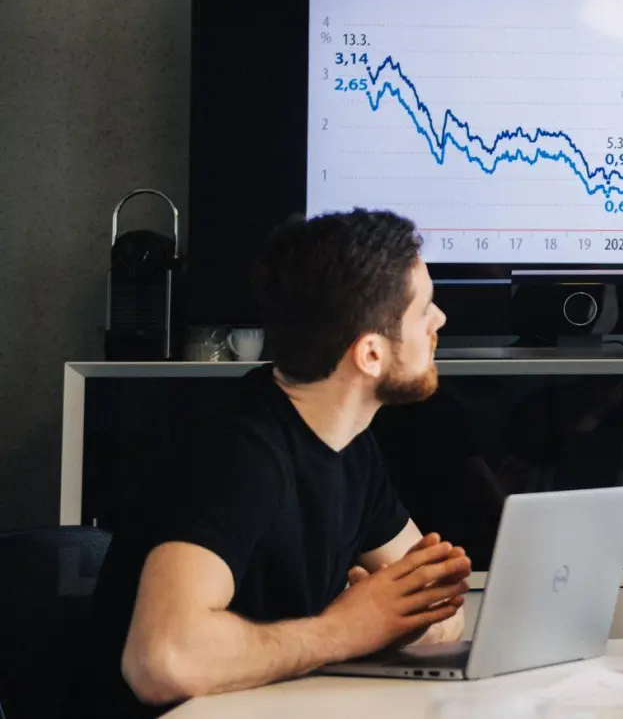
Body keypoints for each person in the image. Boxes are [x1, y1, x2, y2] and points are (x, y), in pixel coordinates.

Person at [73, 209, 471, 717]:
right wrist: (344, 630)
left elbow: (437, 608)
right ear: (370, 354)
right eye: (424, 310)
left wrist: (393, 617)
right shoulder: (238, 453)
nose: (439, 321)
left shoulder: (350, 443)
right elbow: (160, 661)